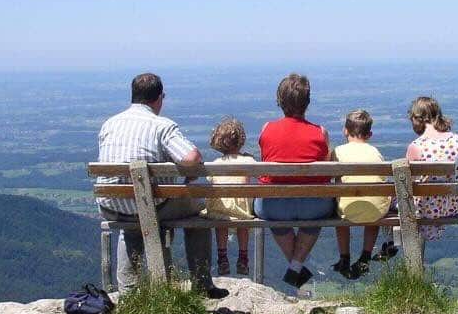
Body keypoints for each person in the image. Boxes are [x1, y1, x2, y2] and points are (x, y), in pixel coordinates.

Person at [96, 73, 227, 298]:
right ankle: (202, 283)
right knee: (199, 215)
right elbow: (191, 157)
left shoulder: (110, 124)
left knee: (133, 218)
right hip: (152, 205)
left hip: (112, 205)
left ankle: (128, 292)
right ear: (158, 98)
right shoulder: (161, 126)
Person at [255, 73, 334, 290]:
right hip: (315, 206)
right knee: (317, 217)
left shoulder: (266, 129)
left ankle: (295, 266)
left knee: (274, 214)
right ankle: (296, 265)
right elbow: (325, 171)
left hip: (274, 204)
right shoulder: (320, 132)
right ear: (306, 102)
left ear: (280, 100)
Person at [330, 110, 391, 279]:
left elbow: (329, 177)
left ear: (345, 131)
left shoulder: (338, 151)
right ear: (369, 134)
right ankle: (365, 256)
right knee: (373, 204)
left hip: (347, 210)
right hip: (377, 211)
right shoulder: (376, 152)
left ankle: (344, 257)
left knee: (339, 211)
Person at [405, 96, 458, 248]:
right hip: (451, 206)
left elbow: (406, 186)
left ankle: (390, 245)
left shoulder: (416, 146)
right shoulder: (455, 140)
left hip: (426, 209)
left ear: (417, 119)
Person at [202, 117, 256, 276]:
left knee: (221, 221)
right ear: (241, 140)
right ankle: (243, 257)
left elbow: (210, 180)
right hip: (241, 210)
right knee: (242, 222)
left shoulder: (215, 163)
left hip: (219, 208)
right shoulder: (248, 160)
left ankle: (222, 257)